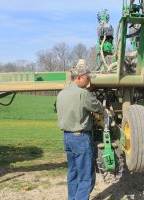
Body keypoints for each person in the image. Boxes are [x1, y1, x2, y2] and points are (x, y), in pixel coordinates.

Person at [56, 59, 104, 200]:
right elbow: (97, 107)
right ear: (78, 78)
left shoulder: (61, 93)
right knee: (86, 176)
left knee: (73, 172)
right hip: (80, 138)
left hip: (67, 137)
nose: (88, 80)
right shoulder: (82, 94)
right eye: (86, 77)